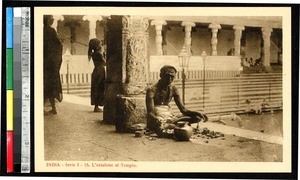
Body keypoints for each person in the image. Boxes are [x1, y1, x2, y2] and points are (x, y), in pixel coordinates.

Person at [146, 65, 208, 138]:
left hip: (169, 116)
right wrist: (156, 119)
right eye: (167, 76)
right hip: (157, 117)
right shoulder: (152, 89)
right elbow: (150, 113)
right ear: (161, 75)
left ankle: (175, 122)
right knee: (160, 125)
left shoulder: (174, 88)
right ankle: (175, 124)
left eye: (172, 77)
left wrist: (198, 113)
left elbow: (183, 110)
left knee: (197, 118)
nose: (169, 79)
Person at [44, 15, 63, 115]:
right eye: (51, 18)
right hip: (51, 63)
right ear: (47, 20)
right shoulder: (50, 31)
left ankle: (52, 108)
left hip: (45, 63)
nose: (53, 19)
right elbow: (59, 44)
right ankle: (53, 108)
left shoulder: (44, 30)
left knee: (46, 86)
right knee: (50, 86)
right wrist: (57, 61)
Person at [88, 38, 106, 112]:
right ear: (97, 46)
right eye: (100, 44)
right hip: (100, 71)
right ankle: (97, 106)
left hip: (96, 71)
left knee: (96, 88)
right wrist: (105, 55)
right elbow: (104, 62)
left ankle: (96, 106)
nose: (101, 45)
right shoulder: (99, 53)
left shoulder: (93, 53)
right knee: (100, 88)